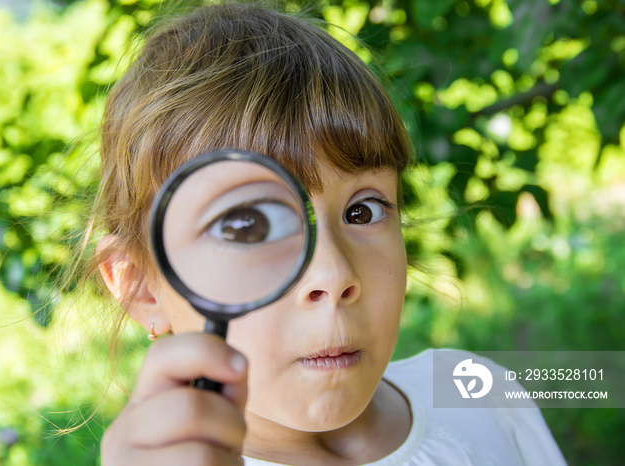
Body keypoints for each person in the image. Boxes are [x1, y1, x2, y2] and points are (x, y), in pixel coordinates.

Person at [90, 2, 567, 464]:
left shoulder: (474, 391)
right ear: (139, 284)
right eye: (248, 226)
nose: (334, 274)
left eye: (362, 212)